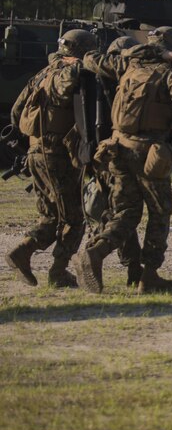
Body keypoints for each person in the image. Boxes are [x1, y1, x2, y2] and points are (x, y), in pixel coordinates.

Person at [73, 26, 172, 294]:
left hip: (117, 148)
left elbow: (91, 59)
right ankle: (149, 276)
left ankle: (96, 252)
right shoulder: (169, 72)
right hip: (149, 151)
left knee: (126, 212)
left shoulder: (126, 63)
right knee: (160, 211)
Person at [5, 29, 97, 287]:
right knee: (74, 217)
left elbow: (16, 113)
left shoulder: (41, 74)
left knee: (51, 215)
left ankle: (23, 251)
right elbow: (73, 81)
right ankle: (57, 271)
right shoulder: (68, 73)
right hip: (58, 155)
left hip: (36, 152)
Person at [83, 35, 144, 287]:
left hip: (95, 153)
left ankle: (133, 269)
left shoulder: (93, 74)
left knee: (113, 211)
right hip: (119, 154)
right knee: (126, 212)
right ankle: (93, 253)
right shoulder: (130, 75)